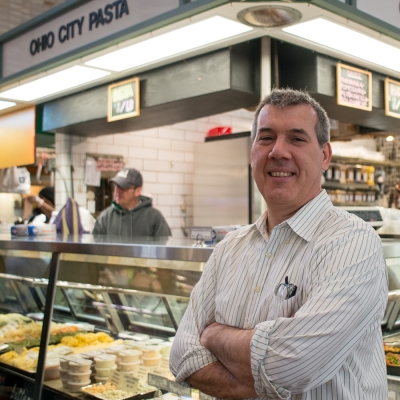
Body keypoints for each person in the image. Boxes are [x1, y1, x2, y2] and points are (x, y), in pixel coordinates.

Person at [170, 89, 388, 399]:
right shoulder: (229, 249)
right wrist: (263, 381)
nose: (278, 152)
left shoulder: (353, 243)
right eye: (266, 138)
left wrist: (214, 335)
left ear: (325, 156)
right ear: (252, 153)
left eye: (297, 139)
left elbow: (295, 366)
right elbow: (182, 355)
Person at [92, 168, 171, 238]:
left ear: (138, 191)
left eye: (124, 187)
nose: (117, 191)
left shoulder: (154, 217)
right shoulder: (106, 217)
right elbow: (95, 248)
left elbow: (164, 249)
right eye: (116, 186)